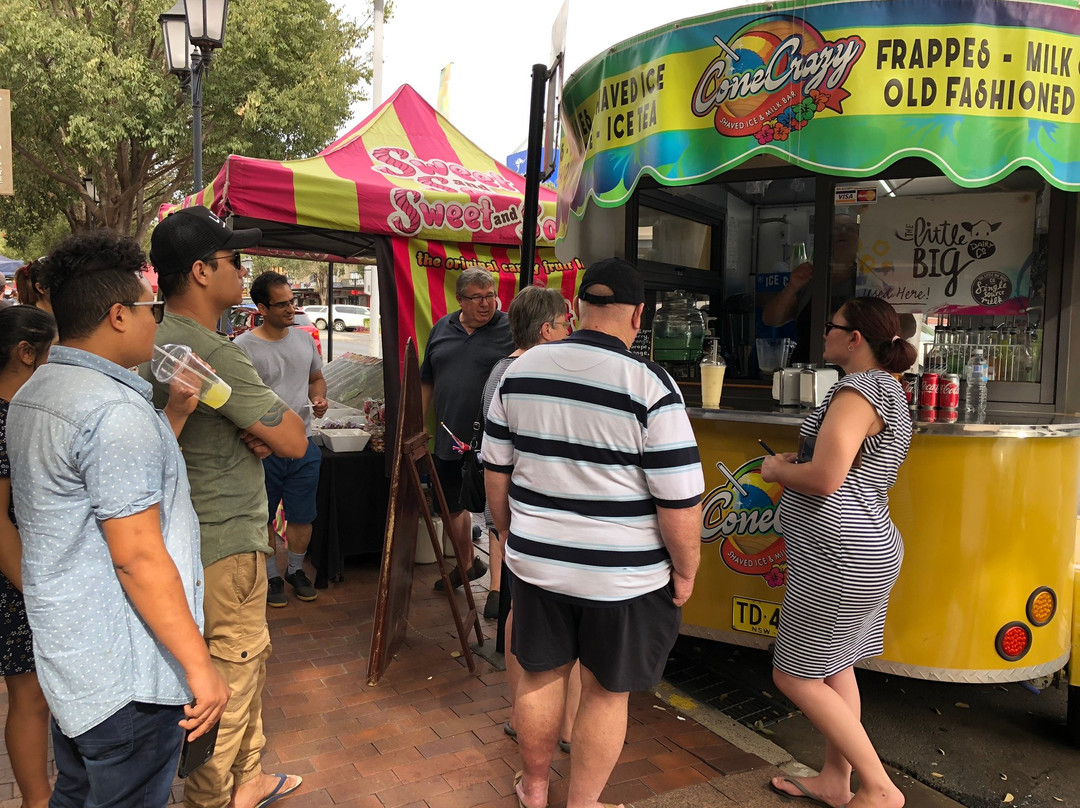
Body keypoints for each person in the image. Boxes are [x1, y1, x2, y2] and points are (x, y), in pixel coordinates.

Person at [7, 231, 229, 807]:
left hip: (79, 662)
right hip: (128, 672)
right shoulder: (111, 411)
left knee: (78, 792)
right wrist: (199, 667)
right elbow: (137, 556)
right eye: (151, 309)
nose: (158, 321)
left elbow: (96, 499)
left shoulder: (37, 392)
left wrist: (172, 415)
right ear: (117, 315)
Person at [484, 257, 704, 808]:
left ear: (577, 307)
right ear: (638, 317)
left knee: (537, 677)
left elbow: (496, 471)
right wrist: (686, 571)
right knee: (606, 693)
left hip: (537, 563)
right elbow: (678, 501)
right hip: (623, 577)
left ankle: (534, 789)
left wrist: (507, 534)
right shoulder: (651, 384)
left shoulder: (521, 369)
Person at [147, 206, 309, 808]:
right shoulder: (208, 349)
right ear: (199, 271)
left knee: (244, 661)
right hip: (224, 538)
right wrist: (271, 430)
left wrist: (260, 431)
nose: (243, 269)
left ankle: (252, 778)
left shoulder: (154, 338)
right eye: (233, 260)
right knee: (228, 679)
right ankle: (215, 798)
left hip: (192, 536)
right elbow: (293, 437)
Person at [760, 297, 915, 808]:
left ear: (855, 339)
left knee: (793, 674)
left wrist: (778, 470)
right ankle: (835, 778)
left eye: (832, 326)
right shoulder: (890, 389)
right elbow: (844, 466)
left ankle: (878, 788)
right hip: (867, 547)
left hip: (837, 554)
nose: (823, 332)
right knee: (836, 668)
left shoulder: (857, 389)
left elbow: (827, 479)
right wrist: (798, 460)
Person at [479, 286, 582, 751]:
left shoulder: (503, 373)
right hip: (535, 518)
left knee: (524, 620)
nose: (570, 332)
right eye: (565, 324)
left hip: (518, 519)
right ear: (547, 331)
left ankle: (523, 718)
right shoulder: (532, 374)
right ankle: (559, 727)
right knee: (553, 628)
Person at [235, 271, 328, 607]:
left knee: (303, 516)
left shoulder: (304, 339)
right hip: (262, 451)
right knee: (263, 517)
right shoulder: (242, 348)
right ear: (261, 307)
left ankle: (294, 570)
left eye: (293, 301)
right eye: (282, 304)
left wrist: (319, 399)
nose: (291, 309)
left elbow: (316, 378)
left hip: (303, 444)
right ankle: (271, 575)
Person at [421, 267, 514, 591]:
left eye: (491, 295)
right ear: (460, 299)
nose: (487, 304)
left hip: (495, 439)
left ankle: (497, 588)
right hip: (449, 437)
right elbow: (427, 380)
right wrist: (418, 427)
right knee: (450, 507)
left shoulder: (509, 328)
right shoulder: (441, 329)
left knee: (494, 510)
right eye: (477, 298)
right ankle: (467, 564)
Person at [0, 306, 56, 808]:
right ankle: (37, 800)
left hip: (30, 573)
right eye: (52, 353)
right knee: (30, 695)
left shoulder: (22, 411)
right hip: (17, 577)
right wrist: (35, 592)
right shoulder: (3, 417)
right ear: (25, 354)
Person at [762, 213, 861, 363]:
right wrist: (792, 286)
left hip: (851, 374)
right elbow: (771, 319)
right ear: (824, 239)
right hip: (806, 370)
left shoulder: (869, 280)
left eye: (850, 229)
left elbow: (907, 328)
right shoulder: (808, 278)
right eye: (836, 228)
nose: (843, 231)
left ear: (859, 239)